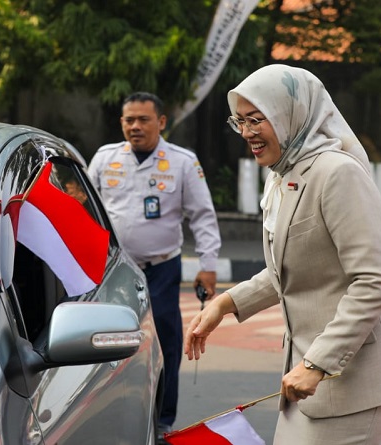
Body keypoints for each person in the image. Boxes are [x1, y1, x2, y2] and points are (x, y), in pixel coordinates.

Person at [183, 65, 381, 445]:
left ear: (290, 114)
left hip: (351, 381)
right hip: (308, 381)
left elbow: (376, 278)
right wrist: (225, 303)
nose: (246, 133)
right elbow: (291, 267)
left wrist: (316, 364)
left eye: (256, 120)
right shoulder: (285, 172)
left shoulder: (337, 174)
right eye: (239, 121)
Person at [87, 92, 221, 439]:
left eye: (143, 119)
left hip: (162, 267)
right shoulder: (105, 158)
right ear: (121, 123)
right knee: (109, 340)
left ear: (161, 122)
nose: (135, 126)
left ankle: (163, 419)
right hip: (115, 268)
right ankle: (113, 410)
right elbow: (88, 212)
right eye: (129, 120)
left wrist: (208, 265)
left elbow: (202, 216)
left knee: (165, 341)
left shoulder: (182, 162)